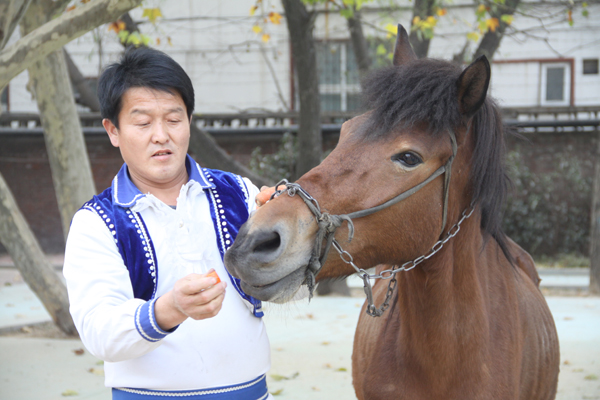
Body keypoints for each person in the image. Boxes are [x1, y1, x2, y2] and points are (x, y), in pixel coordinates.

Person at [63, 46, 272, 400]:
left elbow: (289, 286)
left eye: (174, 119)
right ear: (113, 131)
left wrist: (291, 228)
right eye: (143, 122)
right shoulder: (96, 223)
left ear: (189, 121)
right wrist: (170, 309)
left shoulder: (239, 192)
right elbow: (99, 332)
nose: (161, 135)